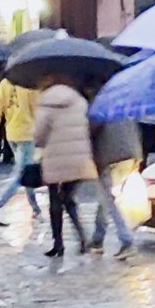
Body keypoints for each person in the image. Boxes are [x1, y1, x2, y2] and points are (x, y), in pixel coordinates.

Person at [34, 75, 97, 258]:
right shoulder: (79, 100)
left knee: (55, 200)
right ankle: (83, 238)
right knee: (68, 197)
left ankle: (58, 243)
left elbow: (39, 134)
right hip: (79, 157)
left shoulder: (46, 103)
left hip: (55, 157)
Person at [0, 76, 40, 220]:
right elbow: (37, 109)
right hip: (27, 133)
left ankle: (35, 207)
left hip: (11, 133)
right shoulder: (30, 83)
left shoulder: (5, 83)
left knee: (25, 170)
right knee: (21, 173)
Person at [89, 119, 141, 259]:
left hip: (110, 157)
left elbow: (91, 129)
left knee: (109, 200)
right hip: (131, 152)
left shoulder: (99, 106)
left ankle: (127, 240)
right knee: (106, 198)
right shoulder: (122, 100)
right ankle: (97, 239)